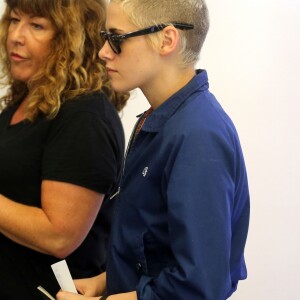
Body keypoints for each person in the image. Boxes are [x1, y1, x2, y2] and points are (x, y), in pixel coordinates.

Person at [56, 0, 250, 299]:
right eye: (104, 38)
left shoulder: (198, 136)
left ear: (166, 39)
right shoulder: (158, 120)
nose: (103, 52)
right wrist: (107, 280)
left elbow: (199, 286)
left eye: (117, 39)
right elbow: (156, 245)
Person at [0, 0, 129, 299]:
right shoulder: (26, 100)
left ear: (72, 39)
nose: (16, 36)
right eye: (15, 20)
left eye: (37, 25)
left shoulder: (84, 118)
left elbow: (58, 235)